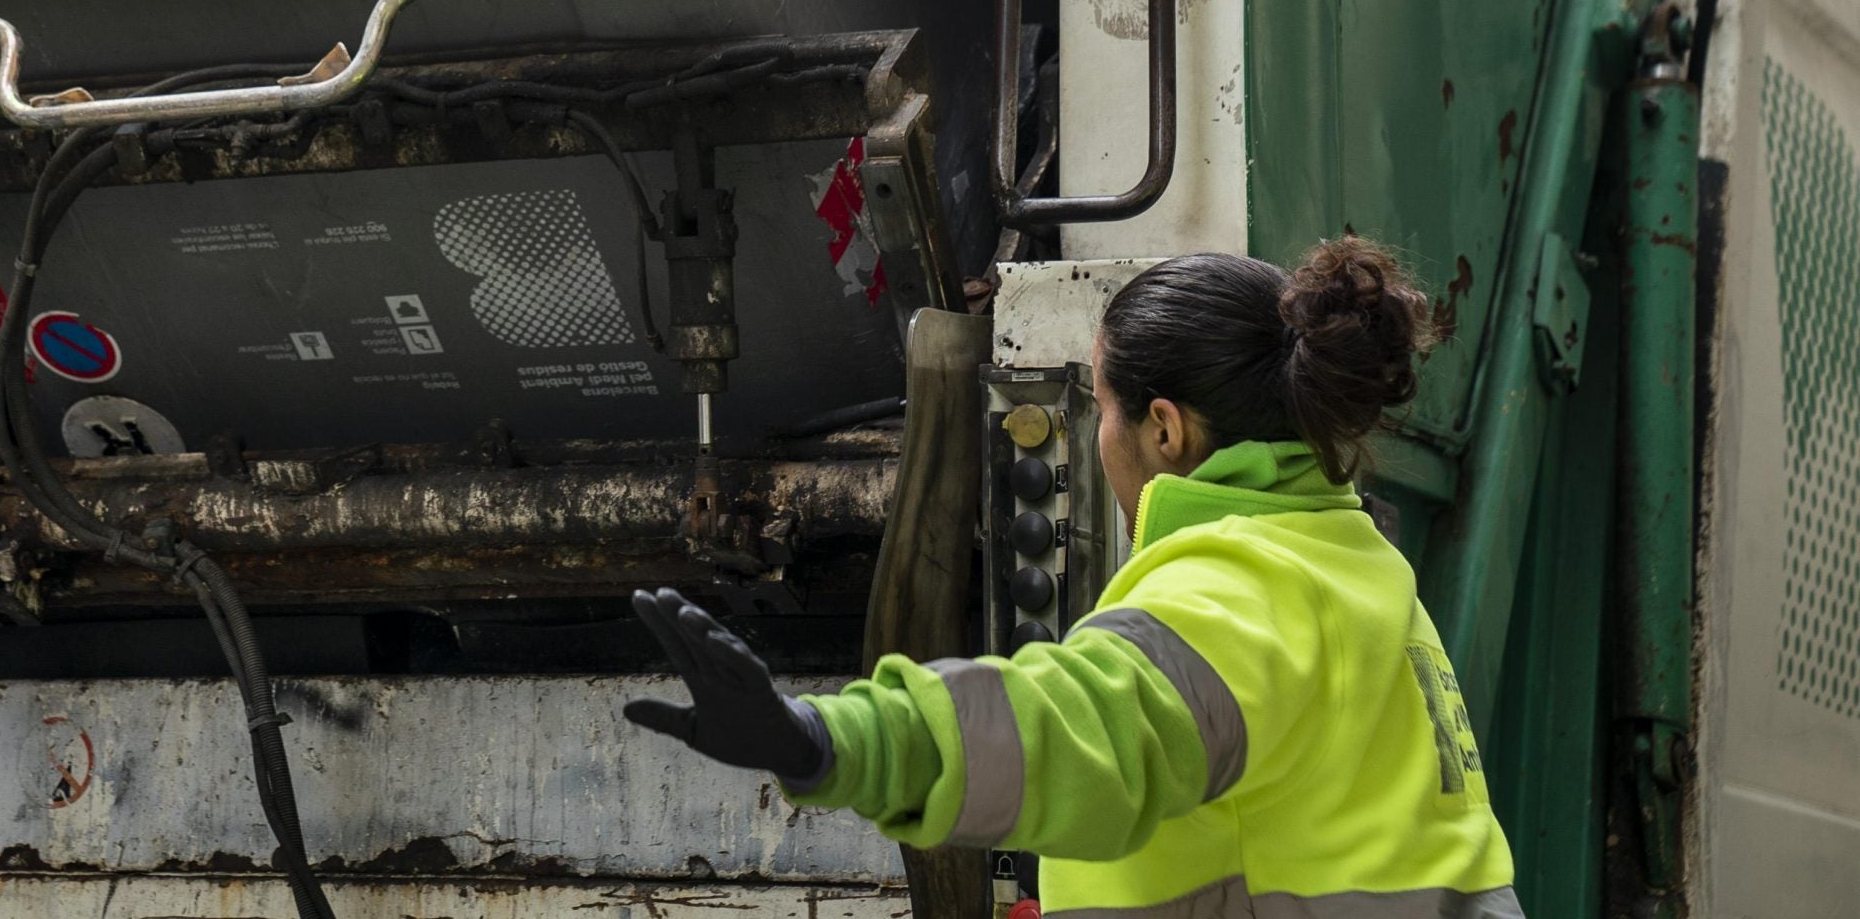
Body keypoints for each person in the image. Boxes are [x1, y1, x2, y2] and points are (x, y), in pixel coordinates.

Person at [624, 237, 1521, 917]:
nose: (1096, 439)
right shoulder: (1361, 570)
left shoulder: (1232, 592)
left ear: (1164, 430)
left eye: (1100, 407)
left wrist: (824, 739)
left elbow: (1070, 731)